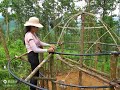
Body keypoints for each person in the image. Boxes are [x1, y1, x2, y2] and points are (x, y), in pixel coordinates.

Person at [24, 17, 55, 90]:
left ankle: (33, 88)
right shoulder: (29, 35)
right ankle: (32, 88)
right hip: (32, 56)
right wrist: (47, 50)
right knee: (34, 74)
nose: (37, 29)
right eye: (36, 27)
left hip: (34, 56)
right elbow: (35, 49)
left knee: (35, 73)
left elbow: (39, 42)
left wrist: (49, 45)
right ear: (32, 27)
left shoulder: (33, 34)